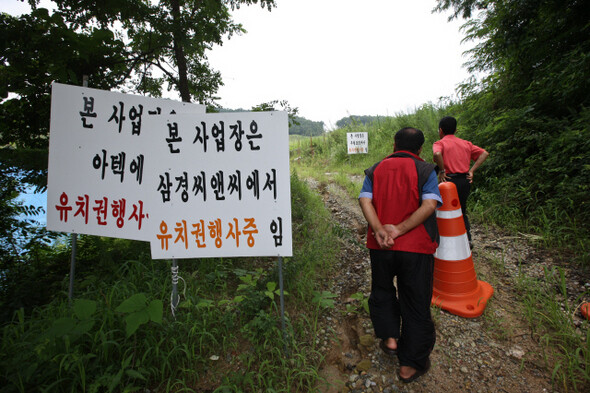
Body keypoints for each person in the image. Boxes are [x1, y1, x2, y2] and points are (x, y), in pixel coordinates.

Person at [358, 127, 442, 383]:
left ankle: (391, 339)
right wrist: (400, 229)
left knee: (382, 290)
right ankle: (408, 366)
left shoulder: (376, 169)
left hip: (380, 246)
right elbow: (430, 204)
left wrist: (379, 229)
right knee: (416, 302)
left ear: (394, 144)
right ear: (420, 149)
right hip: (415, 248)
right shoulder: (426, 170)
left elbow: (364, 200)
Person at [432, 116, 489, 245]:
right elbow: (484, 153)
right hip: (464, 181)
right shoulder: (466, 143)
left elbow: (437, 154)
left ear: (440, 130)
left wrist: (442, 170)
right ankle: (466, 239)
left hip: (448, 180)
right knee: (461, 210)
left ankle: (443, 240)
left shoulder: (439, 143)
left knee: (443, 210)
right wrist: (472, 170)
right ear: (456, 130)